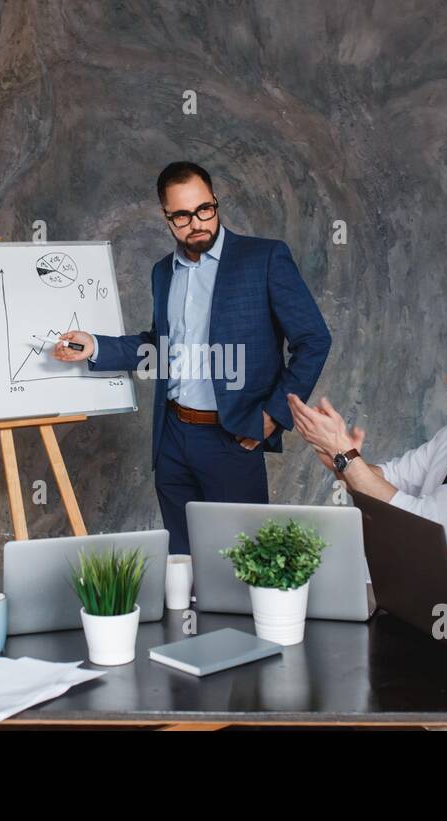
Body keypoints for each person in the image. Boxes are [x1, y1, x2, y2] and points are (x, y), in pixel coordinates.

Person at [52, 161, 331, 554]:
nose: (196, 222)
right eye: (182, 215)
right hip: (173, 439)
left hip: (232, 439)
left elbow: (314, 339)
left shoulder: (264, 259)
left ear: (215, 202)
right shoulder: (162, 272)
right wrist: (96, 346)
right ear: (166, 217)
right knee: (183, 566)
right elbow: (160, 348)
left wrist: (272, 417)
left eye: (205, 209)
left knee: (241, 567)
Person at [288, 318, 447, 565]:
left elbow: (424, 528)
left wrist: (346, 456)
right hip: (419, 593)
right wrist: (340, 460)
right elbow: (392, 478)